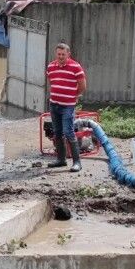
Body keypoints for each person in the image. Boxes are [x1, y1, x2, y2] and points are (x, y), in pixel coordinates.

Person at [46, 42, 87, 172]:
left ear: (68, 54)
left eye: (63, 54)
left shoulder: (76, 67)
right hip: (54, 104)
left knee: (68, 132)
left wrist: (73, 96)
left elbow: (82, 86)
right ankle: (61, 160)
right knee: (57, 132)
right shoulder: (51, 66)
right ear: (56, 54)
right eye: (59, 54)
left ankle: (77, 162)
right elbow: (51, 82)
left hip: (67, 106)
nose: (61, 56)